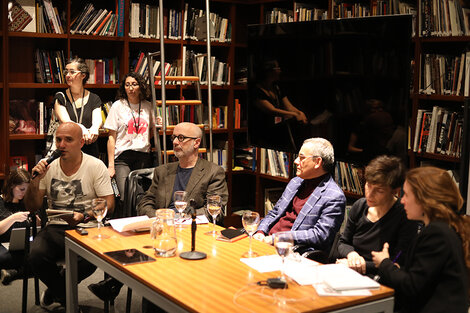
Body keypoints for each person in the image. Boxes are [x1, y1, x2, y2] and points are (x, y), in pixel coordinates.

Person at [88, 122, 228, 310]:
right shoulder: (163, 171)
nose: (175, 142)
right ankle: (120, 282)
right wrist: (159, 219)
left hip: (192, 232)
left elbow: (215, 209)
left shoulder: (212, 172)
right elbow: (145, 202)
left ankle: (116, 285)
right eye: (173, 138)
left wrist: (180, 220)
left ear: (196, 143)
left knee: (155, 260)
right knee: (125, 243)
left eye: (181, 138)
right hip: (161, 228)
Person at [24, 122, 114, 309]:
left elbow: (109, 203)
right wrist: (35, 181)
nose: (61, 144)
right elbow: (32, 206)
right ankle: (67, 297)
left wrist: (85, 215)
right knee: (35, 255)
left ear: (81, 143)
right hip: (56, 228)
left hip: (86, 227)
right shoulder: (48, 167)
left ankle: (54, 291)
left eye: (68, 140)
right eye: (58, 139)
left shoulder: (95, 166)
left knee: (91, 260)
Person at [371, 166, 470, 313]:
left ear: (424, 199)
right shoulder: (443, 229)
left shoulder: (437, 233)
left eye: (407, 195)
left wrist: (384, 263)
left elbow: (412, 286)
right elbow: (426, 278)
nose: (402, 201)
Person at [254, 137, 346, 254]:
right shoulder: (295, 182)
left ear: (317, 162)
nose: (296, 161)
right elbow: (275, 212)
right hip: (265, 241)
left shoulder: (334, 196)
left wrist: (277, 237)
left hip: (290, 250)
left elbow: (320, 235)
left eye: (302, 158)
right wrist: (260, 232)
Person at [335, 155, 418, 277]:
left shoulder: (405, 215)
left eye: (379, 190)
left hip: (381, 278)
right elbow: (343, 242)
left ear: (395, 191)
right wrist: (352, 255)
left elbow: (398, 261)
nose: (370, 194)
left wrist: (356, 264)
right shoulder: (360, 206)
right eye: (368, 185)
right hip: (351, 270)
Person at [104, 72, 159, 215]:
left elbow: (151, 130)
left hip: (143, 155)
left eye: (134, 84)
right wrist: (110, 165)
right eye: (127, 85)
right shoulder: (117, 106)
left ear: (140, 87)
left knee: (141, 197)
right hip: (122, 156)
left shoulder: (148, 106)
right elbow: (111, 137)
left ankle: (137, 228)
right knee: (123, 195)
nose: (131, 88)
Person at [250, 59, 309, 152]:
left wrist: (300, 113)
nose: (280, 71)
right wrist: (294, 115)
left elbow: (289, 106)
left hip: (277, 130)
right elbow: (272, 110)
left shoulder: (276, 87)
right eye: (278, 68)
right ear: (269, 71)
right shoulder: (257, 91)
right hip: (263, 132)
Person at [53, 57, 103, 158]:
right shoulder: (60, 97)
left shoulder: (94, 98)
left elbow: (98, 120)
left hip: (89, 147)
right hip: (67, 148)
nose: (67, 75)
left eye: (72, 72)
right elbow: (66, 121)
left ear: (83, 75)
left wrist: (94, 129)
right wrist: (82, 128)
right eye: (66, 72)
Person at [0, 169, 32, 285]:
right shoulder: (1, 201)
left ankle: (13, 274)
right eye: (21, 189)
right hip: (2, 244)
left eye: (26, 190)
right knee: (3, 258)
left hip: (22, 245)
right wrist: (14, 218)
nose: (24, 193)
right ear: (11, 186)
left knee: (37, 255)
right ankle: (24, 271)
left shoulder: (25, 202)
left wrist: (36, 222)